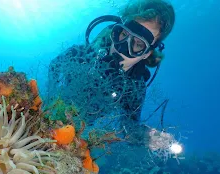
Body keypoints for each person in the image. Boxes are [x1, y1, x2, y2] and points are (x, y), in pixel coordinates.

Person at [48, 0, 176, 146]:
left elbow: (128, 128)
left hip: (72, 134)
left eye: (138, 44)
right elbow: (55, 65)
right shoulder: (83, 54)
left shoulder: (134, 89)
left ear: (147, 53)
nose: (121, 48)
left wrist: (147, 137)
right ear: (116, 31)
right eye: (123, 34)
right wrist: (50, 102)